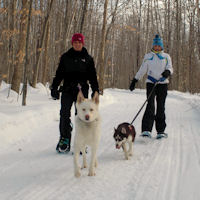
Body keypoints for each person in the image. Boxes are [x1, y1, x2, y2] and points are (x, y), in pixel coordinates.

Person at [50, 33, 99, 153]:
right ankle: (64, 139)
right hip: (67, 89)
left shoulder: (88, 59)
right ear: (72, 43)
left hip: (82, 91)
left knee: (81, 116)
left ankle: (82, 142)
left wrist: (95, 91)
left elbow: (92, 77)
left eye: (79, 43)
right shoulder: (66, 57)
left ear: (83, 43)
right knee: (64, 114)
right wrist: (54, 88)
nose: (77, 44)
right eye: (75, 43)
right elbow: (59, 74)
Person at [129, 34, 173, 139]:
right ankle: (146, 130)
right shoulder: (148, 56)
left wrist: (167, 72)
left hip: (162, 84)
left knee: (161, 106)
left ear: (161, 46)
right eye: (155, 45)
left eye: (158, 46)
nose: (157, 47)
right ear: (153, 46)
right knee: (150, 105)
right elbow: (143, 69)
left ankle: (160, 131)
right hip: (151, 83)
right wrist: (135, 80)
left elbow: (170, 68)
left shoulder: (166, 57)